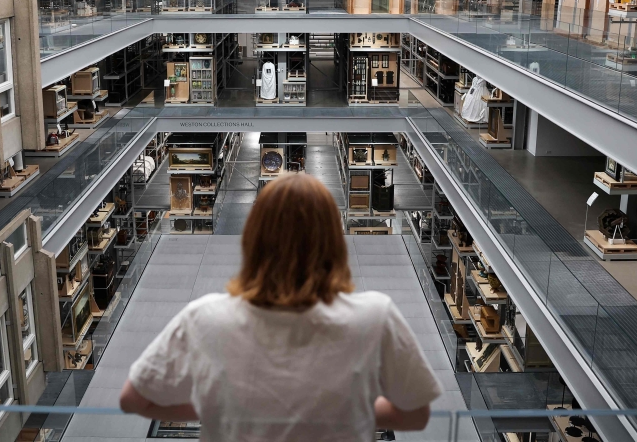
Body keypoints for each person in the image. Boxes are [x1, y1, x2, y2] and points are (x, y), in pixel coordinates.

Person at [119, 173, 442, 441]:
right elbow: (414, 414)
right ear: (333, 240)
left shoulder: (205, 317)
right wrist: (345, 411)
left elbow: (134, 399)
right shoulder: (375, 316)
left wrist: (221, 408)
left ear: (253, 239)